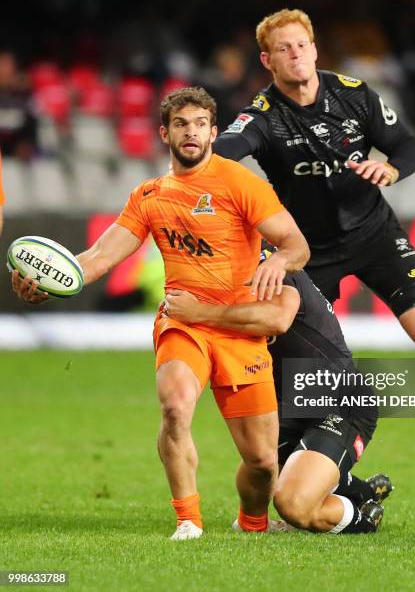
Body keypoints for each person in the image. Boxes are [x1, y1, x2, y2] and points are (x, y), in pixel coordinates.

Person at [11, 87, 310, 540]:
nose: (191, 133)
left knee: (263, 463)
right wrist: (52, 282)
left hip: (237, 327)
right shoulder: (150, 195)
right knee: (174, 407)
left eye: (199, 125)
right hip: (182, 321)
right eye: (181, 125)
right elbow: (98, 257)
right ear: (164, 133)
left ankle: (252, 521)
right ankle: (187, 520)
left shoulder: (241, 183)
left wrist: (278, 260)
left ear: (213, 131)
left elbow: (297, 245)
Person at [213, 8, 415, 443]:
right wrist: (198, 150)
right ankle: (294, 464)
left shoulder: (355, 95)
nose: (296, 54)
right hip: (306, 252)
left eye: (302, 45)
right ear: (267, 61)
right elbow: (227, 149)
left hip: (375, 235)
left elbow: (409, 148)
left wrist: (391, 171)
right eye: (284, 49)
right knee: (304, 370)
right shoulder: (263, 115)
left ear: (314, 49)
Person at [164, 249, 393, 535]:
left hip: (338, 400)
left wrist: (199, 312)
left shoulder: (265, 260)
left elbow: (279, 318)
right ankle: (358, 490)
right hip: (290, 402)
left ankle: (364, 517)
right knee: (258, 465)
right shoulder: (218, 266)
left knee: (293, 504)